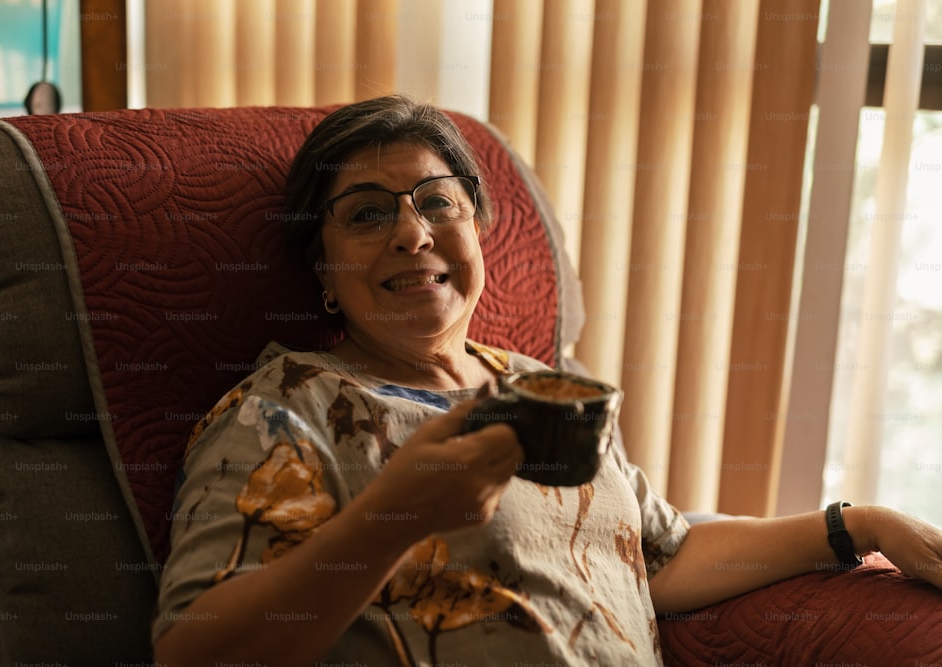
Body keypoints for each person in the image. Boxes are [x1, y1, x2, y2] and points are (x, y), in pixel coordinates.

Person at [152, 95, 942, 666]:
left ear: (477, 233)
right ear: (321, 270)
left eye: (438, 202)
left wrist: (857, 525)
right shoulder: (287, 408)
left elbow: (659, 557)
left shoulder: (546, 389)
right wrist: (394, 518)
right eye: (365, 215)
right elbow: (195, 650)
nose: (411, 231)